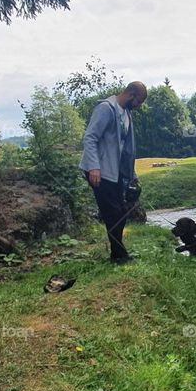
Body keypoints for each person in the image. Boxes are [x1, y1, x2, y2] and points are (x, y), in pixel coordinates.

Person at [79, 81, 148, 262]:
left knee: (121, 211)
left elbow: (126, 149)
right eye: (138, 101)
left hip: (116, 171)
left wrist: (132, 174)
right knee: (114, 213)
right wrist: (94, 166)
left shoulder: (126, 114)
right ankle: (118, 255)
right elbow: (90, 138)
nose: (139, 106)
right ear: (131, 94)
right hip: (99, 170)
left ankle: (118, 253)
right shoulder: (105, 109)